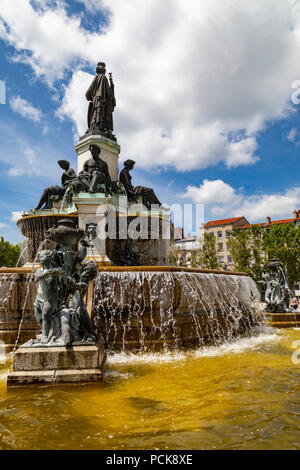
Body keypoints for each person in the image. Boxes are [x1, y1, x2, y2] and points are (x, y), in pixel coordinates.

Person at [34, 250, 66, 343]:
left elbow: (63, 277)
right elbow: (38, 277)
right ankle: (47, 330)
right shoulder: (40, 271)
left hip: (51, 299)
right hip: (39, 299)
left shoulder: (56, 271)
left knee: (46, 314)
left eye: (42, 257)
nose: (40, 259)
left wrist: (60, 274)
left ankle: (45, 335)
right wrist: (49, 273)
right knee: (38, 314)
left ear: (49, 258)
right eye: (40, 257)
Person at [85, 62, 116, 140]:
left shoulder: (97, 77)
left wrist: (90, 97)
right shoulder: (103, 77)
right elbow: (109, 93)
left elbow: (88, 92)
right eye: (103, 67)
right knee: (99, 113)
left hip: (98, 100)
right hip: (101, 100)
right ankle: (100, 127)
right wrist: (111, 85)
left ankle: (96, 127)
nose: (104, 69)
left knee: (96, 114)